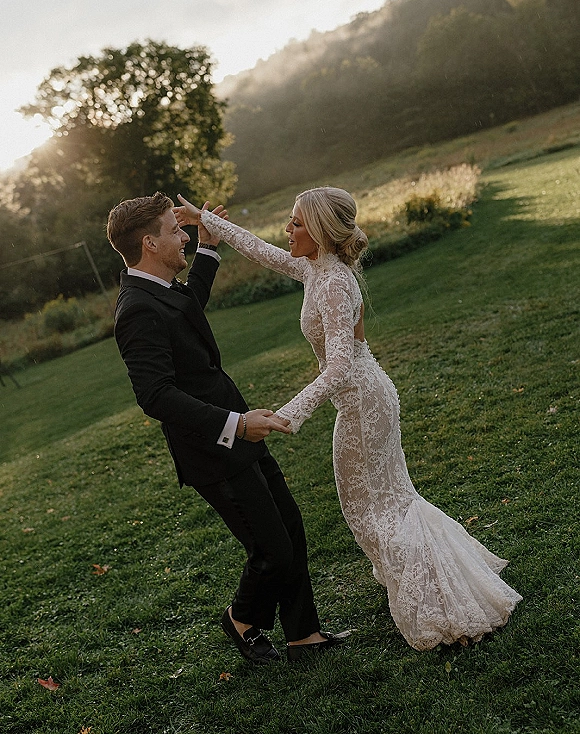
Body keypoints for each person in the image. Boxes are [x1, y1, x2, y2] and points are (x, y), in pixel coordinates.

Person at [174, 186, 523, 651]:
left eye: (296, 222)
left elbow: (339, 368)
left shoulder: (336, 283)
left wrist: (288, 414)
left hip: (362, 402)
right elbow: (258, 249)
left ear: (318, 231)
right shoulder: (313, 269)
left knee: (373, 506)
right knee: (384, 500)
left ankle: (435, 597)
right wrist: (206, 221)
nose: (288, 229)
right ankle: (422, 580)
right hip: (362, 398)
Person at [106, 192, 347, 664]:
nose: (184, 236)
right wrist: (235, 424)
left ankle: (304, 635)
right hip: (213, 448)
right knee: (271, 550)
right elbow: (155, 395)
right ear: (150, 243)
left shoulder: (160, 289)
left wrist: (209, 248)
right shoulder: (135, 309)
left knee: (290, 530)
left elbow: (188, 307)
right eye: (176, 231)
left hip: (239, 429)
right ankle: (241, 619)